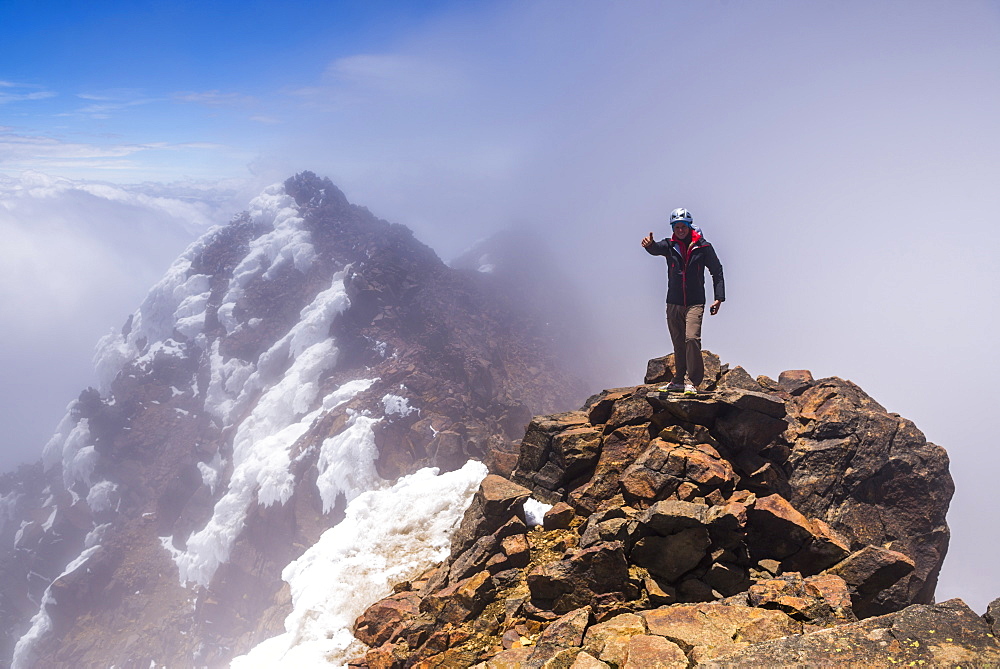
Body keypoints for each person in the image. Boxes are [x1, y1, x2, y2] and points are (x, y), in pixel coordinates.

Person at [641, 207, 725, 394]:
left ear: (689, 226)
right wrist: (649, 245)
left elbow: (717, 270)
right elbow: (655, 249)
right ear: (673, 227)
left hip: (695, 302)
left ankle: (692, 381)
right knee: (678, 343)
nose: (680, 230)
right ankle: (678, 380)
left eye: (683, 226)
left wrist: (719, 298)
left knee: (691, 339)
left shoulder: (703, 247)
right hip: (673, 302)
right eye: (677, 226)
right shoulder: (669, 245)